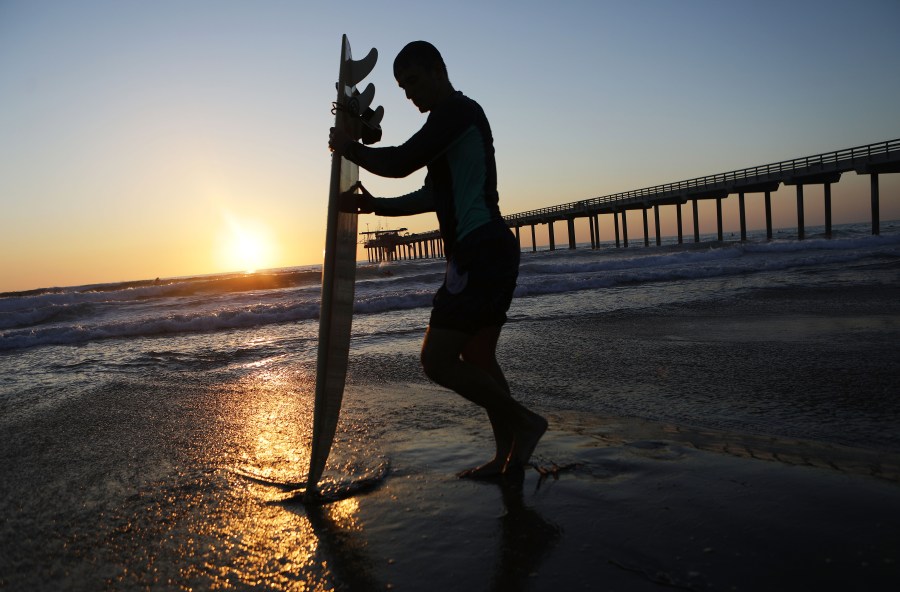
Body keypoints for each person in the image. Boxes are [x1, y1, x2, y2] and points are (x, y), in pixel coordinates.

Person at [329, 40, 546, 479]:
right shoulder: (449, 128)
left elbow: (402, 161)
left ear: (438, 70)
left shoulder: (457, 113)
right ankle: (510, 456)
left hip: (481, 251)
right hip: (486, 252)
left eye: (413, 81)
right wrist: (378, 208)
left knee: (436, 361)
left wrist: (349, 148)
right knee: (481, 360)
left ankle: (525, 423)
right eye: (402, 87)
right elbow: (431, 193)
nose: (410, 95)